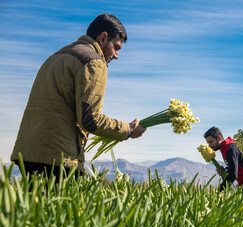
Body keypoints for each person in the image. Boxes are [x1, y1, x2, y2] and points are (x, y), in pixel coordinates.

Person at [11, 13, 146, 182]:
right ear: (103, 38)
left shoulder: (55, 57)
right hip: (58, 159)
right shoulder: (93, 61)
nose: (117, 55)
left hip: (28, 155)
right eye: (116, 47)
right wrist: (128, 130)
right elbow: (90, 119)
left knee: (33, 207)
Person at [204, 127, 243, 192]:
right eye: (208, 143)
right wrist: (225, 170)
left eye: (211, 142)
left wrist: (219, 190)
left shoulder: (230, 149)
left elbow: (233, 175)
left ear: (219, 138)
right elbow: (236, 165)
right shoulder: (226, 148)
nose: (209, 145)